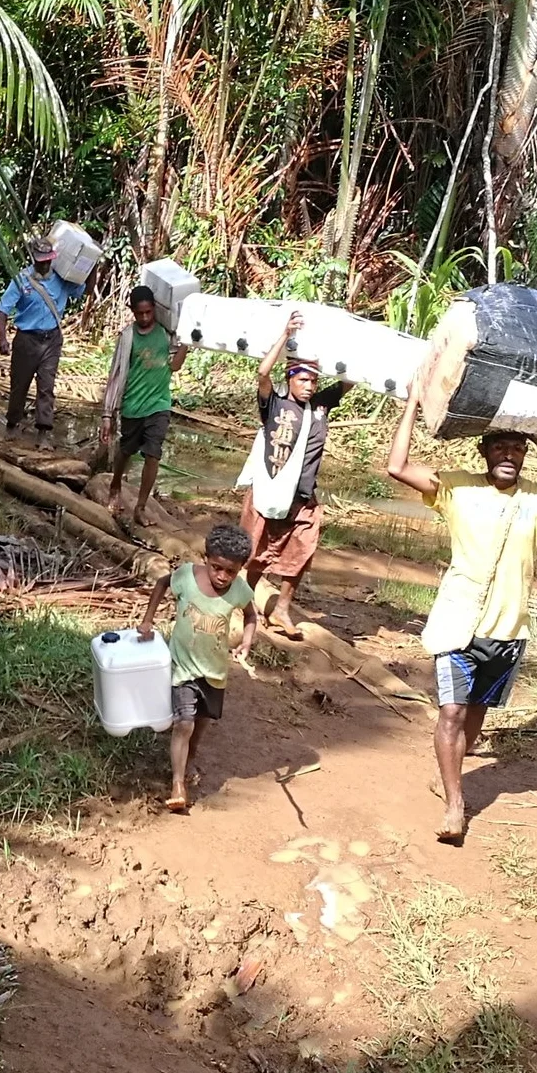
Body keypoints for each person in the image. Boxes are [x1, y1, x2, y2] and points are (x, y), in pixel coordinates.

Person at [385, 394, 537, 846]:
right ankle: (454, 806)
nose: (509, 455)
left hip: (507, 631)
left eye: (518, 448)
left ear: (525, 455)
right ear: (484, 451)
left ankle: (452, 779)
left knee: (475, 719)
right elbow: (398, 466)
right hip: (457, 623)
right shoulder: (458, 488)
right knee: (451, 713)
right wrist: (412, 406)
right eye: (500, 446)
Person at [237, 310, 351, 634]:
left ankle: (282, 609)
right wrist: (285, 335)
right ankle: (247, 604)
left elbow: (350, 381)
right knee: (257, 552)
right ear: (290, 378)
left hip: (303, 496)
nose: (309, 386)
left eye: (314, 380)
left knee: (302, 549)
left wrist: (352, 346)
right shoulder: (274, 406)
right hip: (271, 491)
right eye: (303, 379)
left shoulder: (320, 406)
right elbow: (262, 373)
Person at [136, 523, 259, 813]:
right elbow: (162, 583)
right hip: (183, 666)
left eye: (231, 571)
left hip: (214, 671)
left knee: (201, 723)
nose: (222, 576)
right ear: (206, 559)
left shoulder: (239, 590)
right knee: (184, 723)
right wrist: (147, 620)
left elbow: (251, 615)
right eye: (217, 567)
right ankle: (178, 783)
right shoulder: (187, 578)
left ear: (241, 569)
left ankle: (189, 758)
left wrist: (247, 642)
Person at [101, 286, 188, 526]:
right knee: (125, 451)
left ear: (154, 310)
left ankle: (140, 506)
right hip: (132, 404)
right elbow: (116, 375)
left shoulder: (165, 334)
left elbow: (175, 366)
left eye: (149, 312)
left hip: (159, 404)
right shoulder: (128, 337)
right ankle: (116, 482)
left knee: (153, 454)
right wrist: (107, 415)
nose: (145, 318)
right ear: (133, 312)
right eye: (140, 314)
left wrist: (187, 344)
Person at [0, 235, 88, 449]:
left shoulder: (62, 279)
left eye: (49, 259)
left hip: (52, 339)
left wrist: (88, 268)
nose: (46, 263)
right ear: (34, 259)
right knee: (19, 385)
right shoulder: (22, 280)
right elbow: (2, 310)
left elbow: (85, 290)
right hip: (27, 340)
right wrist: (2, 338)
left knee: (46, 386)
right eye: (42, 260)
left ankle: (44, 432)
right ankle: (12, 424)